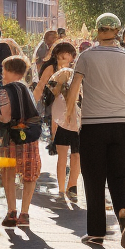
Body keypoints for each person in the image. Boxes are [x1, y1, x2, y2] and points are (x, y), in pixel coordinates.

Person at [64, 13, 125, 247]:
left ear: (98, 31)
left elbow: (75, 87)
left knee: (94, 178)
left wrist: (69, 116)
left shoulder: (86, 57)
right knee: (118, 177)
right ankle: (123, 212)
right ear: (118, 32)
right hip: (122, 124)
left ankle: (97, 232)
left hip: (93, 124)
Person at [0, 56, 42, 228]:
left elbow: (5, 117)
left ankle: (12, 211)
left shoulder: (4, 91)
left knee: (9, 173)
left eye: (3, 69)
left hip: (11, 138)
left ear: (7, 70)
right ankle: (25, 213)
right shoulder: (27, 89)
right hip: (29, 136)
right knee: (29, 173)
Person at [45, 43, 81, 199]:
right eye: (60, 58)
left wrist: (53, 128)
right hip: (77, 122)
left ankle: (64, 188)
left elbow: (54, 108)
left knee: (66, 155)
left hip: (69, 122)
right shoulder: (77, 75)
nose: (63, 60)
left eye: (65, 57)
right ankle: (70, 187)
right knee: (74, 155)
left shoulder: (61, 79)